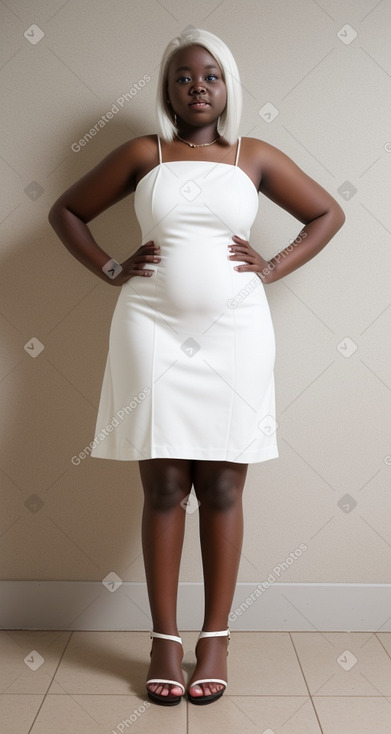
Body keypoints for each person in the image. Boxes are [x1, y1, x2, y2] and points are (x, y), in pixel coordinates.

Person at [48, 27, 345, 706]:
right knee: (161, 490)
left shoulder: (255, 156)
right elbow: (66, 210)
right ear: (166, 88)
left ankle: (215, 637)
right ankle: (163, 640)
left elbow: (326, 213)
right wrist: (110, 267)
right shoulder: (140, 153)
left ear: (227, 86)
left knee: (223, 488)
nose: (197, 87)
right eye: (184, 77)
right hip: (149, 329)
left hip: (236, 335)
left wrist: (272, 266)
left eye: (210, 76)